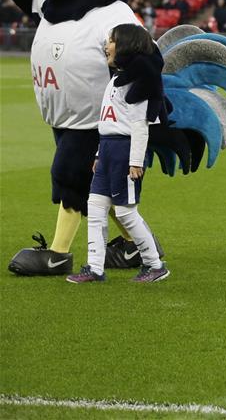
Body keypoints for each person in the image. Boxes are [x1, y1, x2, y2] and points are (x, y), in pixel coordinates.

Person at [66, 25, 169, 283]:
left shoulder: (138, 83)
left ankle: (155, 265)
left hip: (125, 151)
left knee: (125, 212)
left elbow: (139, 125)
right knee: (96, 206)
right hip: (109, 149)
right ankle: (95, 268)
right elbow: (108, 121)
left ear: (126, 45)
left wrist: (135, 161)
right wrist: (101, 153)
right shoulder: (117, 78)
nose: (106, 44)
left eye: (111, 40)